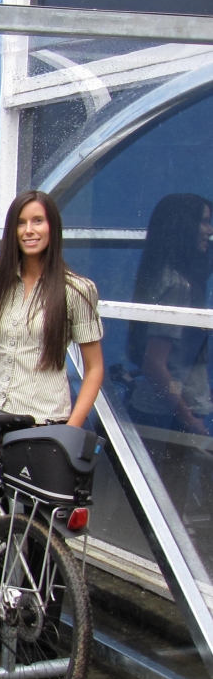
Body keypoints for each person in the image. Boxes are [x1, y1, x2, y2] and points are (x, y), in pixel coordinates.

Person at [0, 190, 105, 466]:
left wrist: (71, 429)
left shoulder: (76, 290)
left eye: (38, 221)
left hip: (43, 425)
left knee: (33, 509)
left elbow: (94, 368)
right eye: (21, 223)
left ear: (52, 227)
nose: (29, 230)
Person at [122, 193, 213, 525]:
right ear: (184, 228)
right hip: (168, 416)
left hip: (168, 410)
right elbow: (155, 366)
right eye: (204, 221)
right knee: (166, 511)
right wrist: (191, 422)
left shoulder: (163, 276)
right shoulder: (176, 285)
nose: (209, 230)